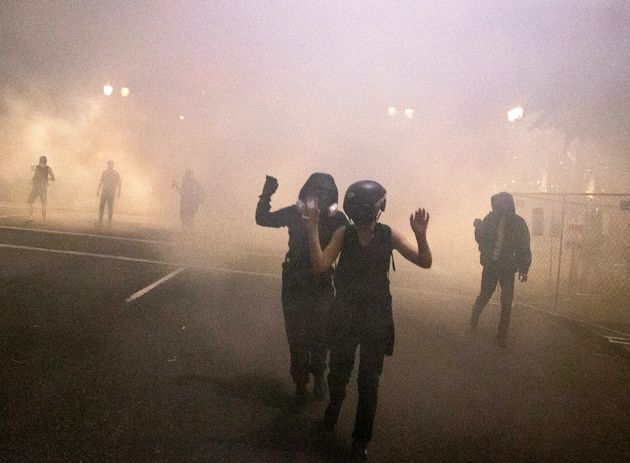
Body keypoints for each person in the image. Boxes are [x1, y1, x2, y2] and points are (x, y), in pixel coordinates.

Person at [302, 180, 432, 460]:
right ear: (378, 208)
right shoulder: (345, 235)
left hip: (374, 319)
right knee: (341, 374)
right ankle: (335, 408)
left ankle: (360, 439)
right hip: (349, 316)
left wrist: (421, 236)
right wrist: (312, 230)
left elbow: (424, 260)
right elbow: (321, 265)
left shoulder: (386, 236)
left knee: (368, 382)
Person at [255, 173, 348, 403]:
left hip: (321, 283)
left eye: (321, 193)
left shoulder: (338, 220)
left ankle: (318, 376)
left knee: (320, 335)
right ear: (304, 193)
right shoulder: (295, 213)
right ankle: (300, 382)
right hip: (295, 281)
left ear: (330, 198)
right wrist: (266, 194)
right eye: (312, 192)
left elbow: (355, 242)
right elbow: (263, 218)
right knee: (296, 335)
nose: (315, 197)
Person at [470, 192, 531, 347]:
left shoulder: (518, 223)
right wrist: (478, 228)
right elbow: (481, 238)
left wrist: (524, 268)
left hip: (507, 268)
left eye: (499, 204)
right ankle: (473, 321)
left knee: (506, 302)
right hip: (491, 265)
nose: (497, 207)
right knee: (485, 294)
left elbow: (524, 247)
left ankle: (501, 336)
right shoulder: (491, 219)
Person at [27, 155, 55, 222]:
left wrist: (32, 180)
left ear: (40, 161)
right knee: (43, 204)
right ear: (46, 161)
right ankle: (43, 220)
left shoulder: (37, 167)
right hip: (43, 188)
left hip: (36, 187)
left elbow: (33, 172)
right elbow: (53, 178)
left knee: (30, 202)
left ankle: (31, 218)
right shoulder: (48, 168)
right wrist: (47, 178)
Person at [96, 161, 121, 226]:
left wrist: (119, 192)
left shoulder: (109, 173)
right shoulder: (111, 173)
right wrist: (98, 190)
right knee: (106, 206)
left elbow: (119, 183)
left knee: (106, 206)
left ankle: (104, 222)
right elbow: (101, 182)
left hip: (108, 192)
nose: (108, 166)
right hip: (108, 192)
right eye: (108, 165)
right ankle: (104, 222)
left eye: (109, 165)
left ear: (111, 165)